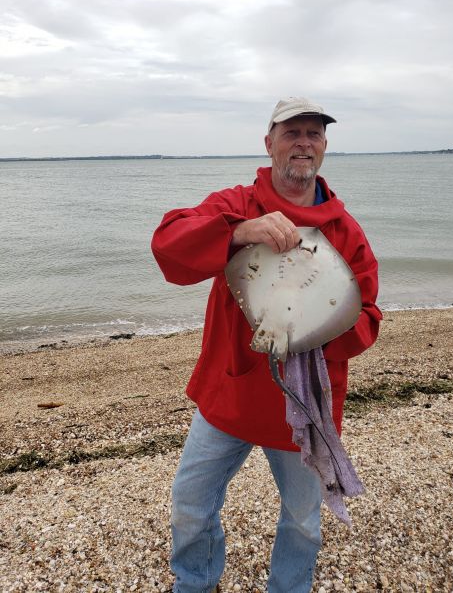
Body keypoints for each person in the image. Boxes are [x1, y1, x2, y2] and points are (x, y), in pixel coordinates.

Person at [151, 97, 382, 593]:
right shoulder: (237, 203)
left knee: (302, 521)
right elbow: (168, 245)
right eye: (292, 133)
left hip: (305, 404)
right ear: (269, 143)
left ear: (324, 147)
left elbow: (368, 315)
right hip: (230, 390)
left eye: (314, 134)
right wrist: (237, 232)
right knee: (191, 504)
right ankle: (193, 583)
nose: (304, 143)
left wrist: (312, 333)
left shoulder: (345, 231)